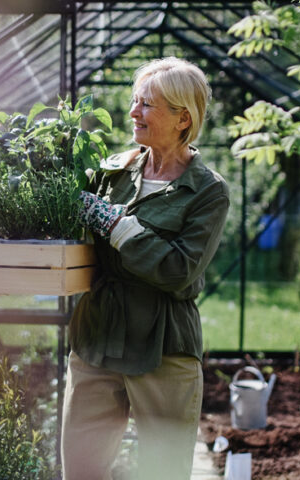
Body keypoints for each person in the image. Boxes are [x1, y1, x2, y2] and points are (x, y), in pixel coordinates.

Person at [62, 57, 230, 480]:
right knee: (81, 470)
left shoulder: (207, 191)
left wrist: (117, 224)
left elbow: (178, 269)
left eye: (148, 105)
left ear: (183, 118)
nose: (134, 112)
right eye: (136, 102)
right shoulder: (111, 171)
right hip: (96, 338)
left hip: (164, 348)